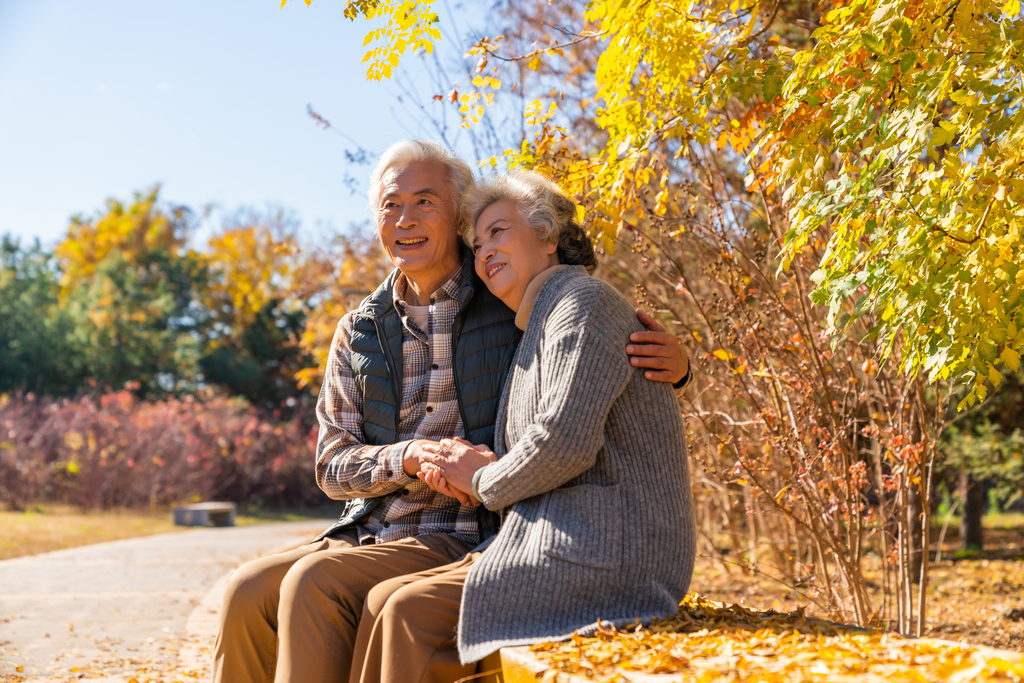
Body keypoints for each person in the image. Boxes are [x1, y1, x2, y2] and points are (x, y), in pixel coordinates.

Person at [211, 142, 690, 683]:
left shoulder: (508, 299)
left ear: (456, 216)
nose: (405, 219)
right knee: (248, 591)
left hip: (467, 527)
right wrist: (406, 458)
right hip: (372, 528)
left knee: (315, 585)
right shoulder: (360, 330)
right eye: (391, 205)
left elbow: (589, 365)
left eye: (424, 202)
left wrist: (676, 364)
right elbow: (331, 464)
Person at [348, 170, 696, 683]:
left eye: (499, 231)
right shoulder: (535, 325)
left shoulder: (582, 303)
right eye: (478, 240)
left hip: (612, 548)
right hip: (556, 536)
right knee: (383, 601)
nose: (484, 249)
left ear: (549, 237)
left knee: (407, 612)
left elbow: (564, 440)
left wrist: (481, 480)